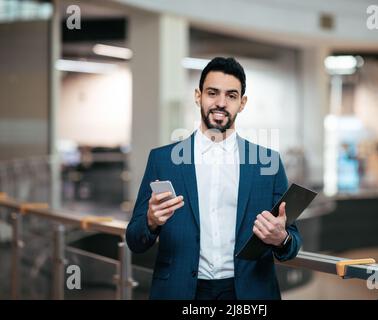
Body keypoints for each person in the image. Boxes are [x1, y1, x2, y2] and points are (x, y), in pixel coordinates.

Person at [126, 57, 302, 300]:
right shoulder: (163, 160)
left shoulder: (267, 162)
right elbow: (135, 239)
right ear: (198, 96)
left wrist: (281, 238)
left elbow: (292, 243)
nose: (220, 103)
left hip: (248, 293)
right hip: (181, 291)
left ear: (242, 103)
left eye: (231, 95)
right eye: (212, 93)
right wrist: (151, 220)